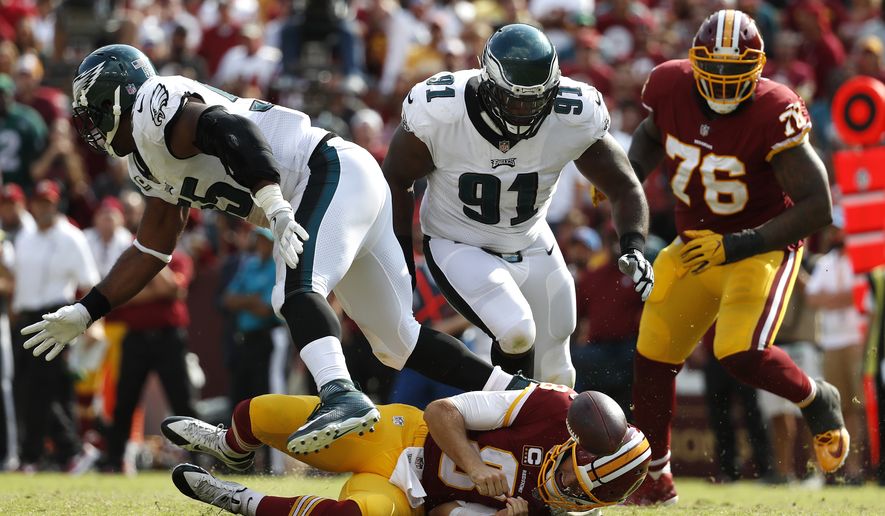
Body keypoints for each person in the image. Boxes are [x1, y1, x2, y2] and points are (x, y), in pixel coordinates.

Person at [21, 44, 524, 457]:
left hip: (325, 171)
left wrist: (273, 203)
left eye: (93, 109)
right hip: (330, 187)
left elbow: (230, 130)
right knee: (397, 342)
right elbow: (151, 249)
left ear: (120, 94)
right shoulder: (144, 164)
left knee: (296, 286)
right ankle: (513, 393)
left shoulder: (158, 103)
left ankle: (340, 394)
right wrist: (88, 310)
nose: (89, 125)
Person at [625, 9, 848, 505]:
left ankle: (816, 397)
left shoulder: (775, 109)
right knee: (652, 356)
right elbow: (649, 134)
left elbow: (818, 205)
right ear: (695, 61)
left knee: (738, 352)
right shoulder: (668, 86)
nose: (724, 82)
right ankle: (655, 476)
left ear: (759, 68)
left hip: (759, 247)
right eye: (715, 70)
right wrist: (629, 176)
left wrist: (738, 243)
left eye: (735, 72)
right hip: (693, 249)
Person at [383, 24, 654, 387]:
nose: (526, 111)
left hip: (529, 237)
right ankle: (504, 430)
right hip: (457, 241)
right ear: (488, 84)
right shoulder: (441, 111)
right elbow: (396, 179)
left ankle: (551, 440)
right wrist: (401, 258)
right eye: (515, 100)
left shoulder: (573, 113)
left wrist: (634, 244)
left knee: (558, 361)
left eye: (537, 99)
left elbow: (624, 187)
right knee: (516, 330)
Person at [161, 383, 650, 515]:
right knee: (259, 412)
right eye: (570, 477)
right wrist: (475, 463)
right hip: (403, 434)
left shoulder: (561, 513)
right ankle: (231, 446)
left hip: (411, 501)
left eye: (579, 496)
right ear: (578, 446)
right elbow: (442, 411)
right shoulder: (549, 407)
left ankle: (236, 499)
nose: (563, 492)